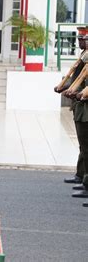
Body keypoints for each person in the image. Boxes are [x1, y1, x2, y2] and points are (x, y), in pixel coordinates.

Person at [59, 27, 88, 185]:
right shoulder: (83, 56)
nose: (81, 42)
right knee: (83, 144)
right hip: (80, 102)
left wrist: (78, 93)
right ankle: (81, 175)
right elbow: (77, 78)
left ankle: (84, 179)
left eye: (83, 39)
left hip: (84, 103)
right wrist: (66, 88)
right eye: (80, 39)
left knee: (85, 145)